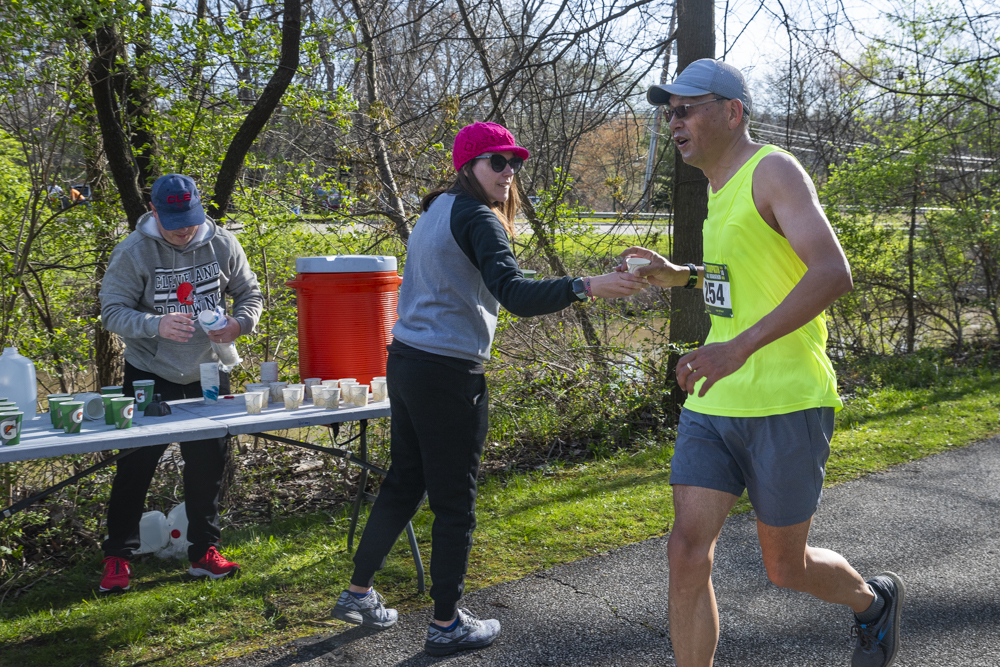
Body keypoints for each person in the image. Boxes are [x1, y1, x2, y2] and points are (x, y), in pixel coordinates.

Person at [627, 59, 904, 667]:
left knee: (785, 566)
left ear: (732, 112)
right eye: (668, 111)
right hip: (715, 402)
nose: (673, 121)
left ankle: (872, 603)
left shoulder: (772, 169)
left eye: (686, 108)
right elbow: (747, 275)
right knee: (686, 551)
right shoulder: (718, 189)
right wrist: (684, 275)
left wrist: (737, 348)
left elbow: (832, 273)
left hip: (785, 399)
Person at [331, 122, 646, 656]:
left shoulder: (435, 210)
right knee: (456, 502)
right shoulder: (478, 217)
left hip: (406, 361)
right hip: (447, 374)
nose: (508, 172)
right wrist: (587, 286)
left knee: (405, 482)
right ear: (468, 167)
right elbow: (515, 295)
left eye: (513, 162)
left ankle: (358, 592)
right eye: (496, 162)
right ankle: (446, 623)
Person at [98, 173, 263, 592]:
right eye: (174, 222)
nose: (184, 230)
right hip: (149, 373)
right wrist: (154, 324)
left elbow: (251, 294)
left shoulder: (223, 243)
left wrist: (239, 323)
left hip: (210, 370)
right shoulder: (133, 251)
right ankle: (118, 556)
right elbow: (112, 311)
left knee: (208, 466)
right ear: (155, 210)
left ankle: (204, 552)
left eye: (189, 219)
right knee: (135, 465)